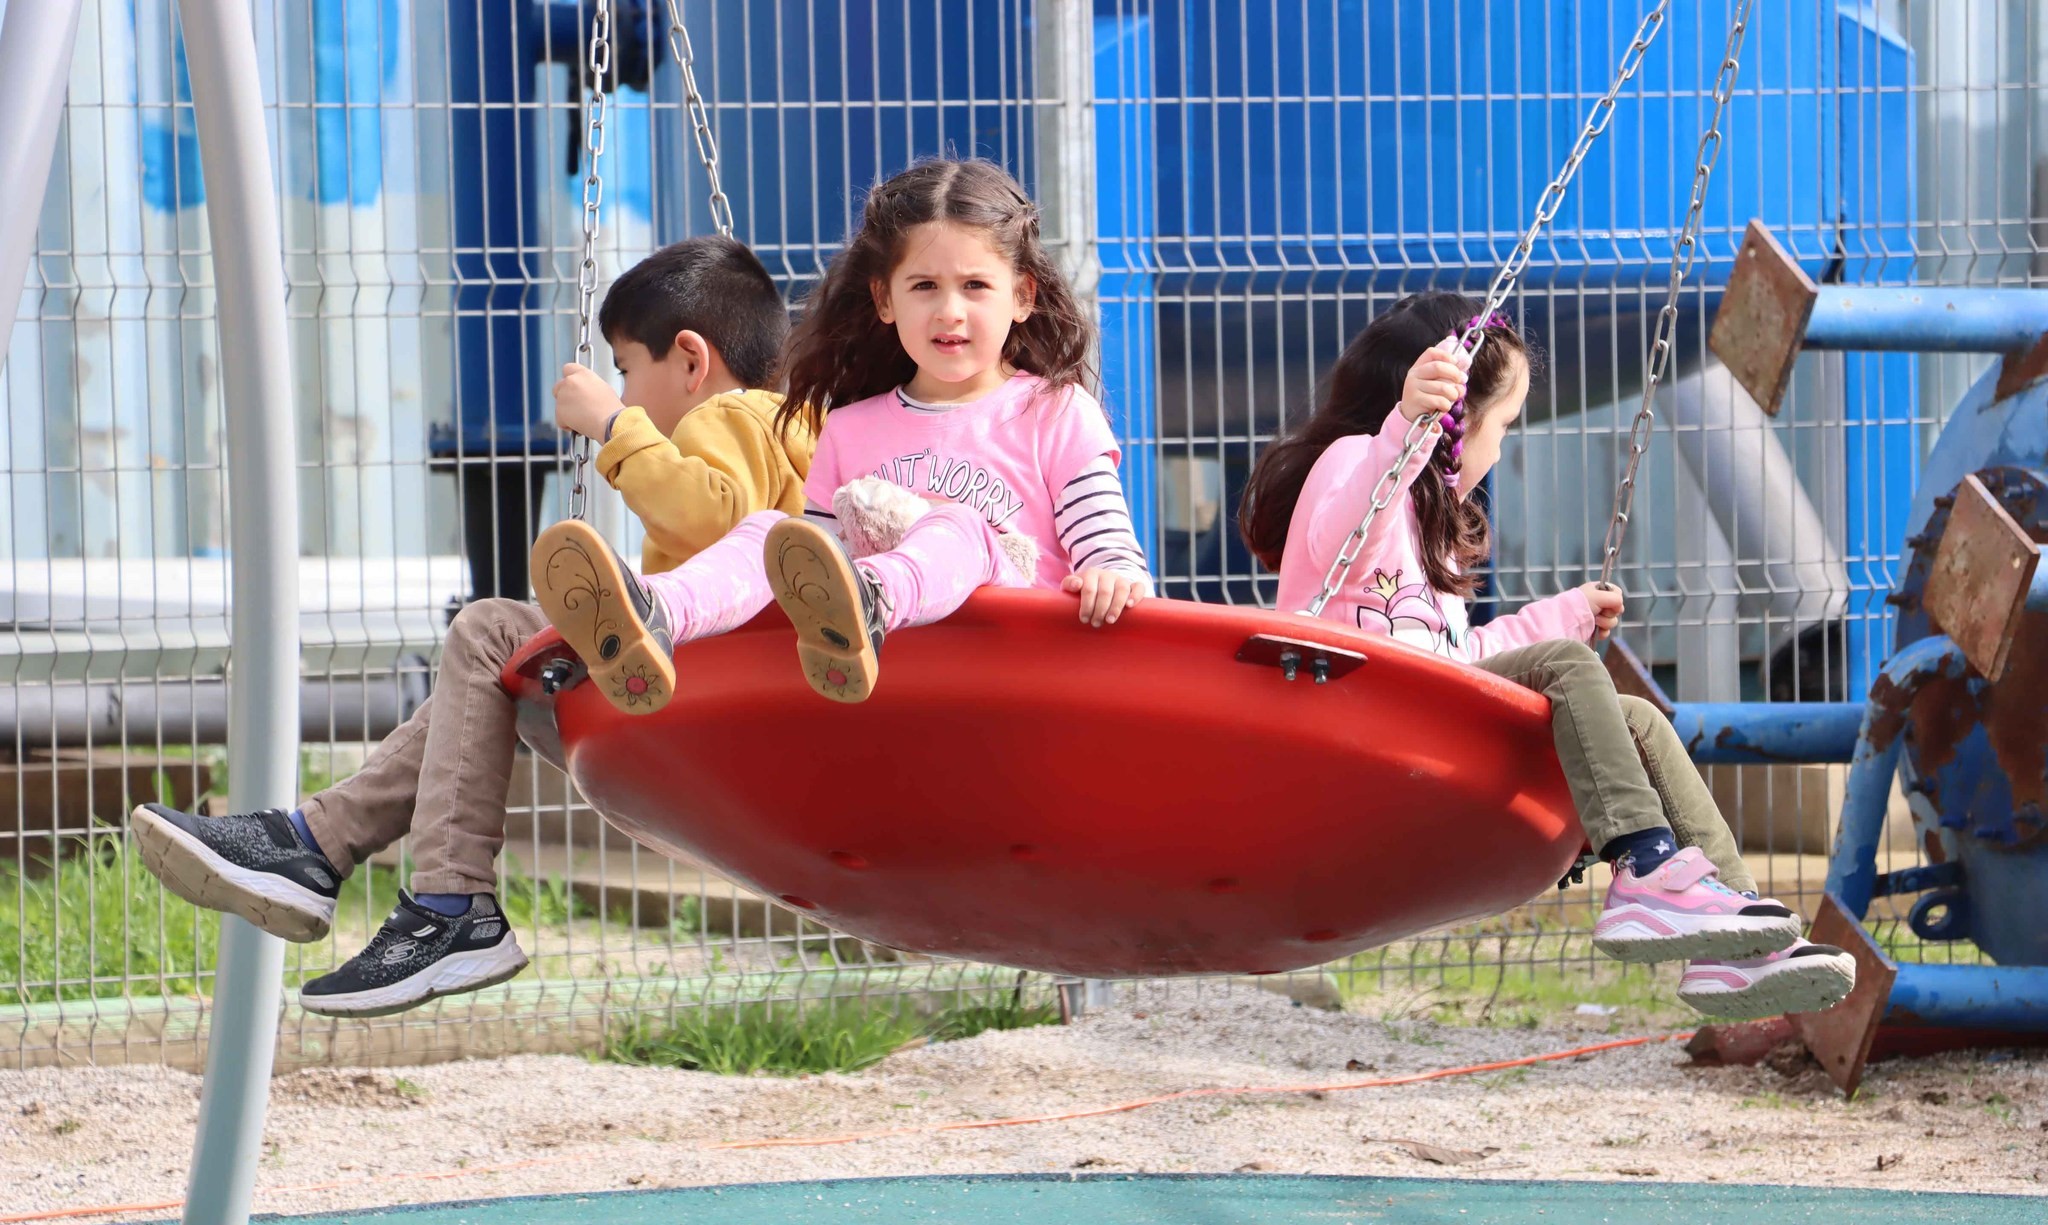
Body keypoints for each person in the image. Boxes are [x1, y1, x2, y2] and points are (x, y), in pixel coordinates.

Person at [129, 236, 814, 1017]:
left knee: (490, 630)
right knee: (492, 659)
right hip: (736, 712)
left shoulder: (726, 414)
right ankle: (319, 845)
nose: (623, 388)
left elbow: (720, 517)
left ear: (691, 361)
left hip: (694, 710)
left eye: (628, 369)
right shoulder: (798, 427)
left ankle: (441, 903)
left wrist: (615, 426)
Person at [1238, 290, 1854, 1019]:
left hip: (1421, 711)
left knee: (1641, 724)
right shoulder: (1353, 465)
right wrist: (1406, 424)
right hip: (1357, 717)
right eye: (1501, 424)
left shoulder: (1426, 525)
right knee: (1565, 665)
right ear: (1453, 423)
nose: (1500, 448)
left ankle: (1733, 939)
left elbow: (1459, 653)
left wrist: (1556, 614)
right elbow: (1342, 542)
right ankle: (1646, 866)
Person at [531, 157, 1152, 712]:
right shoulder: (850, 430)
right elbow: (814, 566)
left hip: (1010, 664)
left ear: (1021, 297)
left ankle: (875, 597)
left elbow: (1112, 553)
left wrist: (1113, 575)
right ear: (885, 300)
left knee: (958, 526)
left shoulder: (1054, 412)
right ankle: (655, 613)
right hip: (892, 679)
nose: (950, 311)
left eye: (976, 286)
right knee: (775, 531)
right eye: (924, 287)